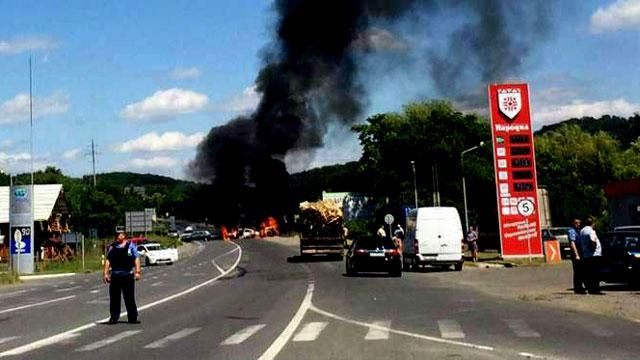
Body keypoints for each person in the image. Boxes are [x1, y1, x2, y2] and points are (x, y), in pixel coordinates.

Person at [103, 231, 142, 324]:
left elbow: (136, 258)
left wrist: (137, 272)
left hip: (127, 275)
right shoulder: (112, 247)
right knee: (114, 298)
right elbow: (108, 260)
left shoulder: (130, 246)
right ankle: (114, 317)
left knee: (129, 297)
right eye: (117, 234)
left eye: (120, 234)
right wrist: (105, 273)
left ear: (124, 235)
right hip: (116, 275)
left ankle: (132, 317)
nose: (118, 236)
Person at [579, 217, 603, 295]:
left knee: (589, 273)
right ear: (593, 223)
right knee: (595, 273)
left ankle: (590, 288)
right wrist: (593, 248)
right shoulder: (591, 231)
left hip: (586, 254)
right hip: (594, 254)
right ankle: (595, 289)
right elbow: (593, 241)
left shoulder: (582, 231)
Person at [568, 218, 586, 294]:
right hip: (576, 254)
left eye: (579, 223)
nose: (578, 224)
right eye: (576, 223)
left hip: (581, 253)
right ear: (573, 223)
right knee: (577, 271)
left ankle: (580, 287)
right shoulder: (571, 231)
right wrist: (576, 254)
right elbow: (573, 243)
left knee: (581, 271)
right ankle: (578, 288)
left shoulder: (579, 231)